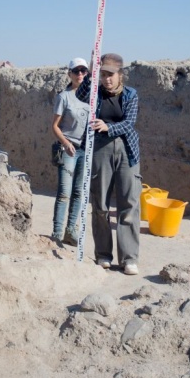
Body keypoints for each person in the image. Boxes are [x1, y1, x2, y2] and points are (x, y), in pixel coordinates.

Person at [76, 53, 142, 275]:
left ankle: (129, 258)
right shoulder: (95, 93)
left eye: (110, 75)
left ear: (120, 74)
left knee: (129, 204)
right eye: (103, 74)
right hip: (99, 151)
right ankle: (103, 255)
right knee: (101, 205)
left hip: (126, 150)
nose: (107, 79)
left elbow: (129, 122)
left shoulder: (131, 94)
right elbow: (81, 94)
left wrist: (108, 127)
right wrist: (91, 73)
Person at [50, 57, 91, 246]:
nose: (80, 74)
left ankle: (70, 231)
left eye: (84, 70)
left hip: (85, 149)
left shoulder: (91, 96)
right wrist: (65, 143)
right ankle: (57, 233)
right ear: (70, 74)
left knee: (79, 193)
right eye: (77, 71)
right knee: (64, 192)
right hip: (68, 149)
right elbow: (55, 126)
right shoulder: (64, 96)